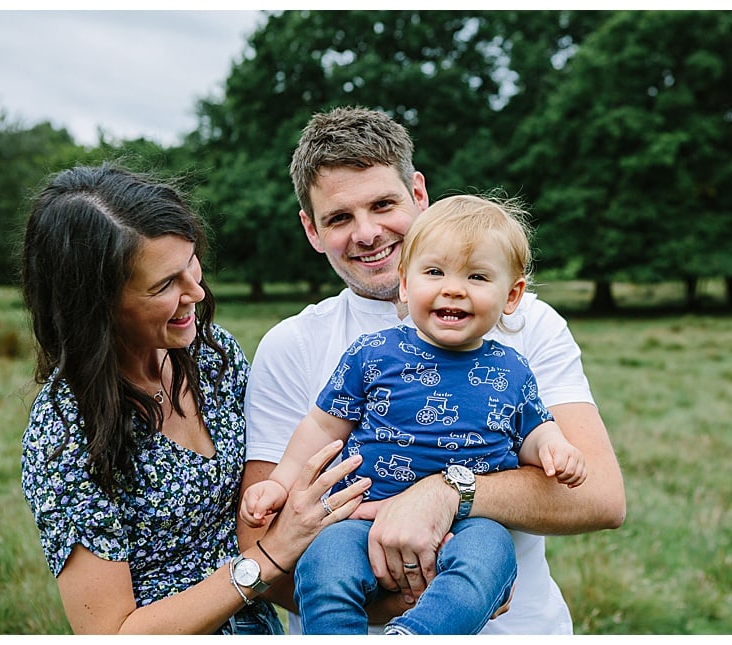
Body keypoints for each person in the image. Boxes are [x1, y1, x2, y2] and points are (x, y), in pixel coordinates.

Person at [240, 106, 626, 635]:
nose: (367, 233)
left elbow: (599, 496)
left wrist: (447, 492)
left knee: (486, 552)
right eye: (338, 218)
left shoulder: (524, 326)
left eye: (383, 203)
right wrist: (395, 604)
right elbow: (260, 549)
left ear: (418, 194)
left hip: (517, 627)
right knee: (328, 560)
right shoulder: (293, 345)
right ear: (311, 229)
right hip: (358, 573)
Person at [19, 163, 372, 635]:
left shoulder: (212, 354)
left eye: (190, 265)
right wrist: (269, 556)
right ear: (97, 306)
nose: (197, 292)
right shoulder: (65, 436)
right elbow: (112, 631)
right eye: (165, 285)